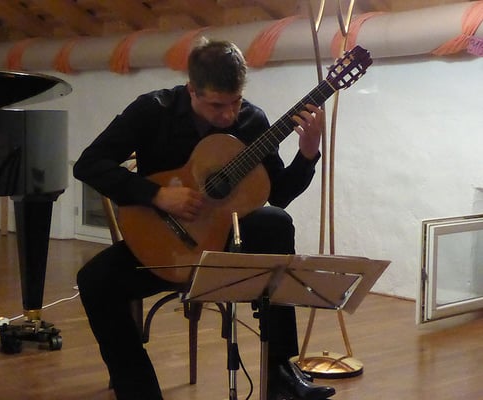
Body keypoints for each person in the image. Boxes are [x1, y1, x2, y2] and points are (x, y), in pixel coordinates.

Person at [73, 39, 335, 400]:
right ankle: (138, 390)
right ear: (191, 90)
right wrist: (156, 195)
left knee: (276, 222)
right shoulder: (153, 110)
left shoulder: (252, 121)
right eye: (216, 105)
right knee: (94, 281)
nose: (228, 115)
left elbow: (279, 194)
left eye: (235, 102)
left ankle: (280, 374)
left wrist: (307, 156)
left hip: (223, 247)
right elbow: (89, 165)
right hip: (162, 245)